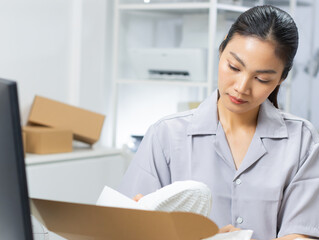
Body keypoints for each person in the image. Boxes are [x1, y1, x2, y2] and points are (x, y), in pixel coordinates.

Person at [118, 5, 319, 240]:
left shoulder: (302, 140)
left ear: (281, 78)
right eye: (234, 67)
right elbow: (129, 228)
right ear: (222, 48)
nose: (241, 87)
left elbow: (302, 233)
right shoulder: (166, 135)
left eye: (262, 78)